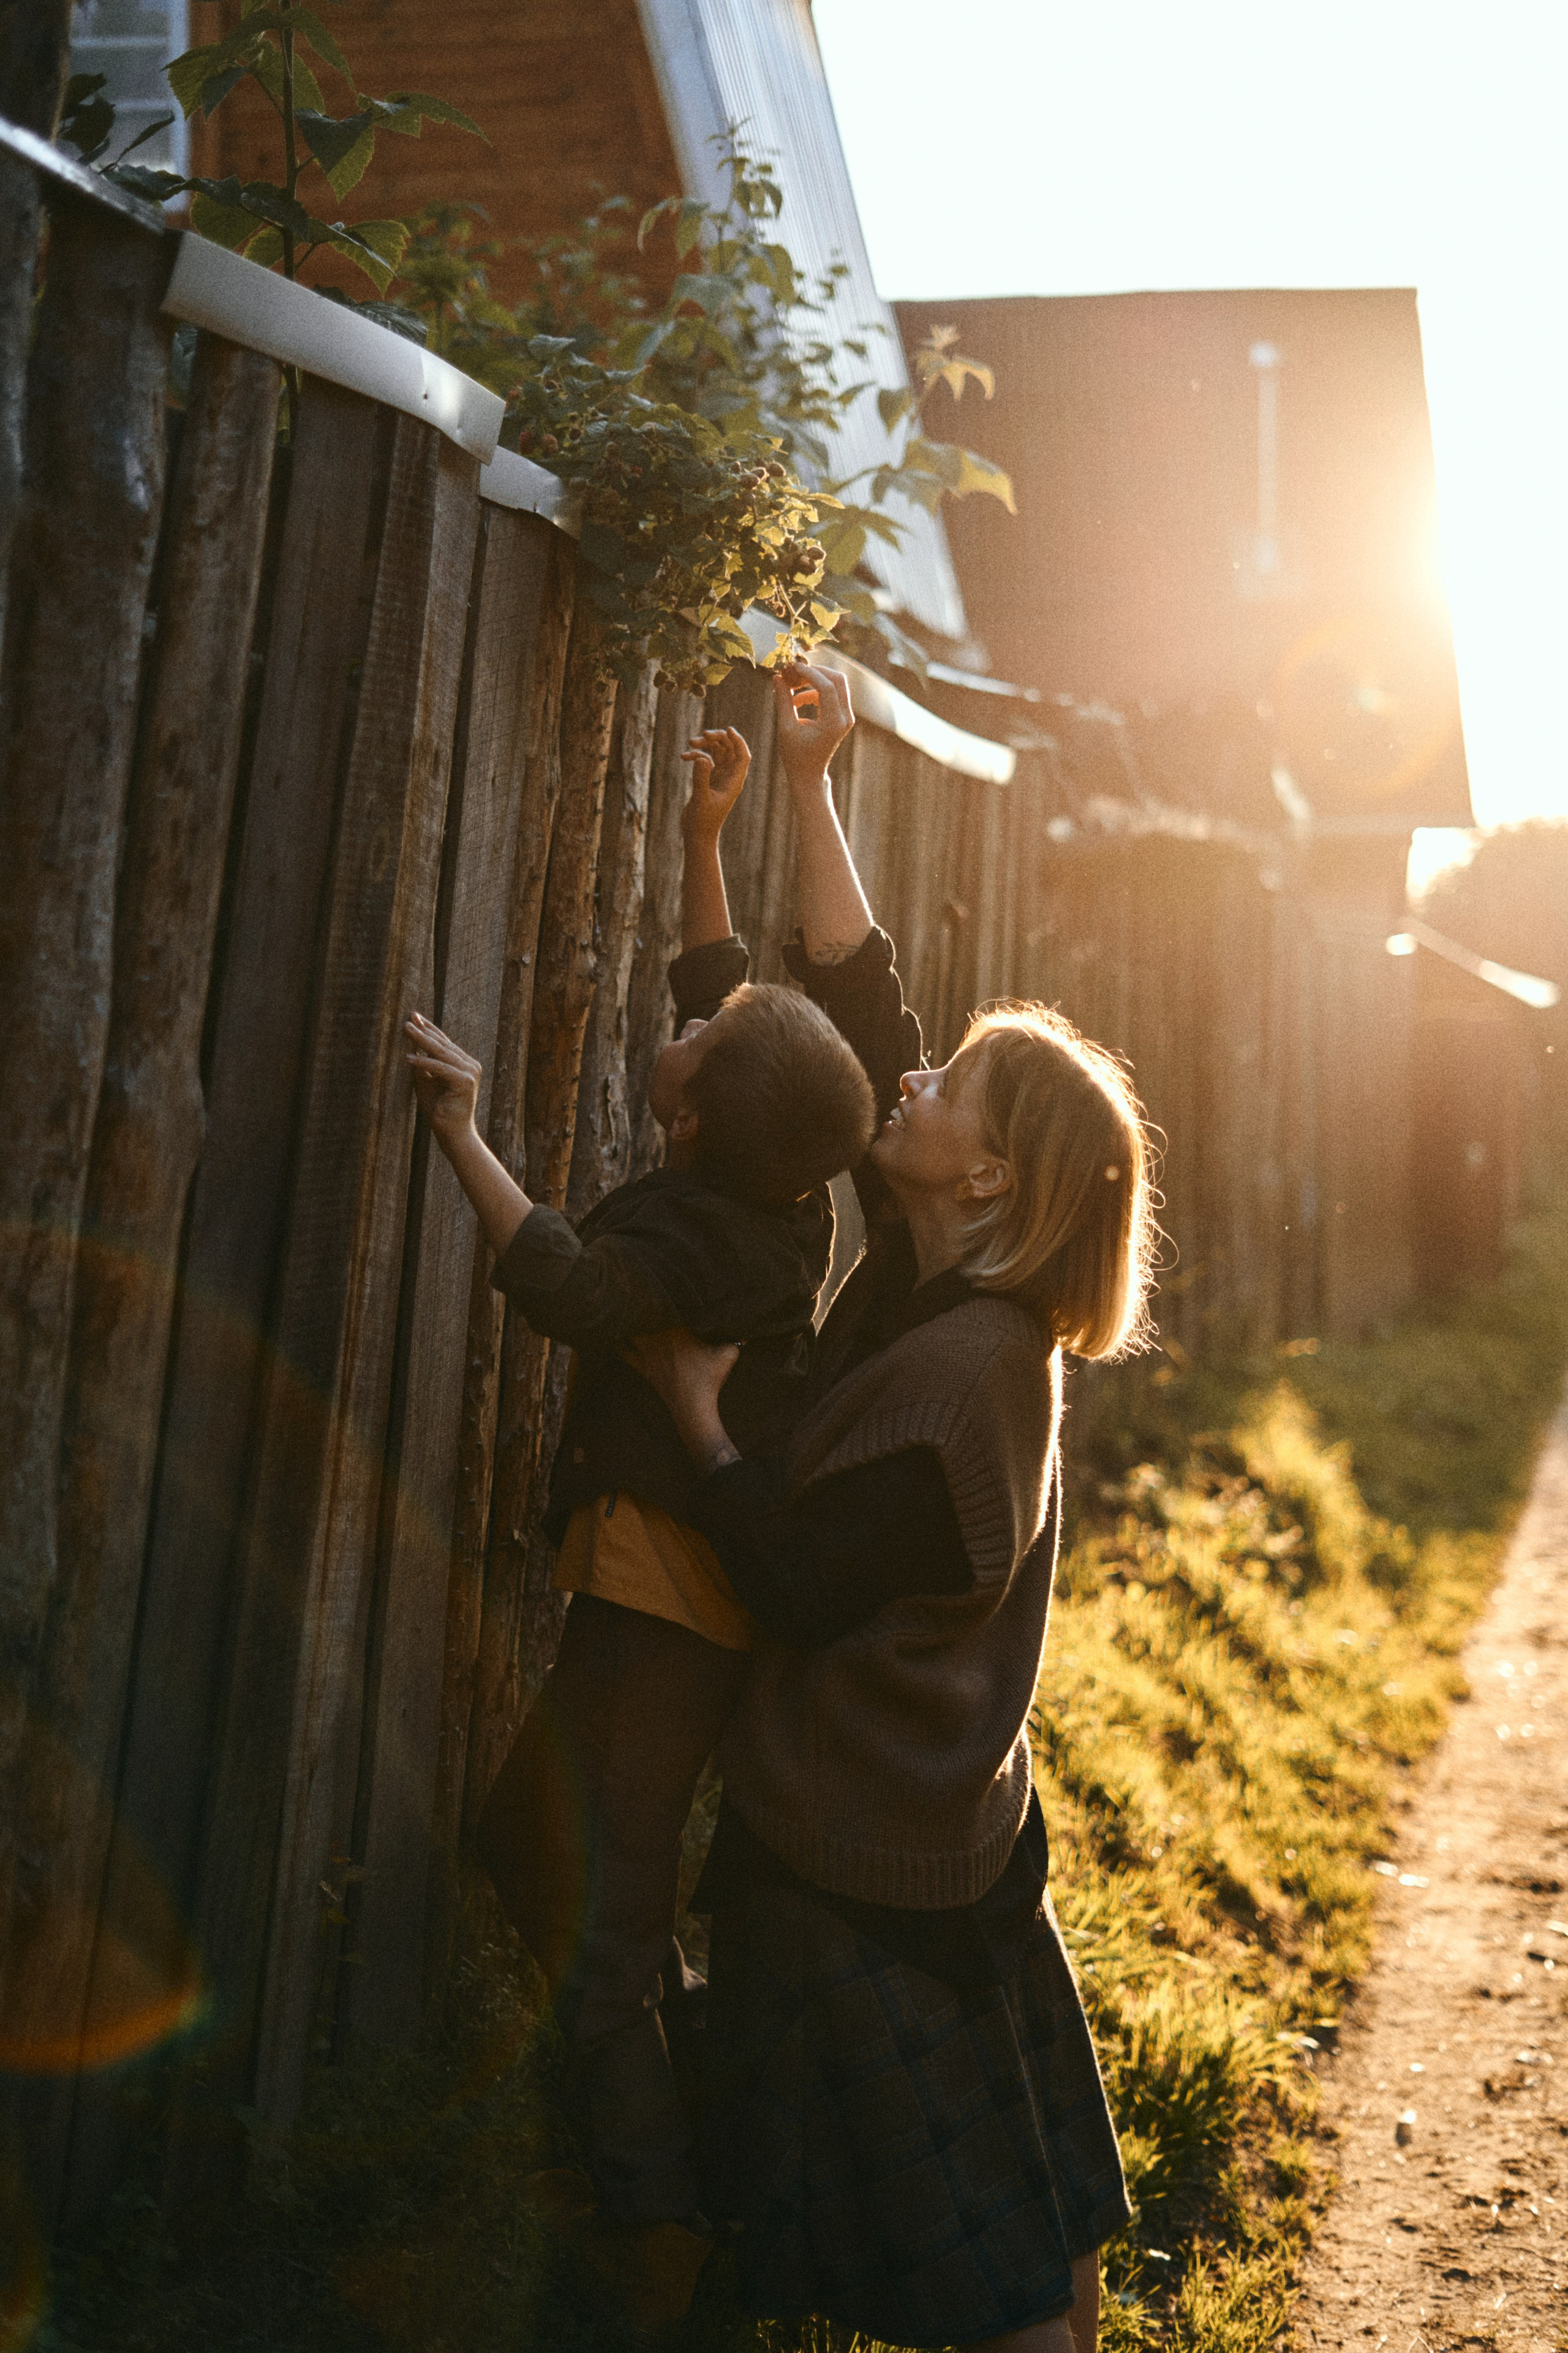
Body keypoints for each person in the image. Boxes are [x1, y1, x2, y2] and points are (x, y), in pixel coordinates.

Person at [626, 662, 1159, 2353]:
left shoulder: (965, 1386)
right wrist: (801, 787)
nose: (913, 1089)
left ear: (988, 1175)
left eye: (951, 1097)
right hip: (939, 1830)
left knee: (992, 2282)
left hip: (872, 1867)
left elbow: (792, 1582)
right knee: (1033, 2225)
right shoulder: (942, 1272)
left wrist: (698, 1422)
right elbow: (858, 1019)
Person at [402, 722, 875, 2242]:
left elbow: (572, 1286)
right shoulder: (777, 1192)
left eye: (704, 1044)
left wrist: (464, 1134)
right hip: (646, 1590)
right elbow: (708, 998)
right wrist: (701, 840)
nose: (697, 1015)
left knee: (600, 1927)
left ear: (688, 1118)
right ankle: (638, 2128)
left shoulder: (689, 1245)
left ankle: (652, 2234)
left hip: (670, 1605)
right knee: (527, 1850)